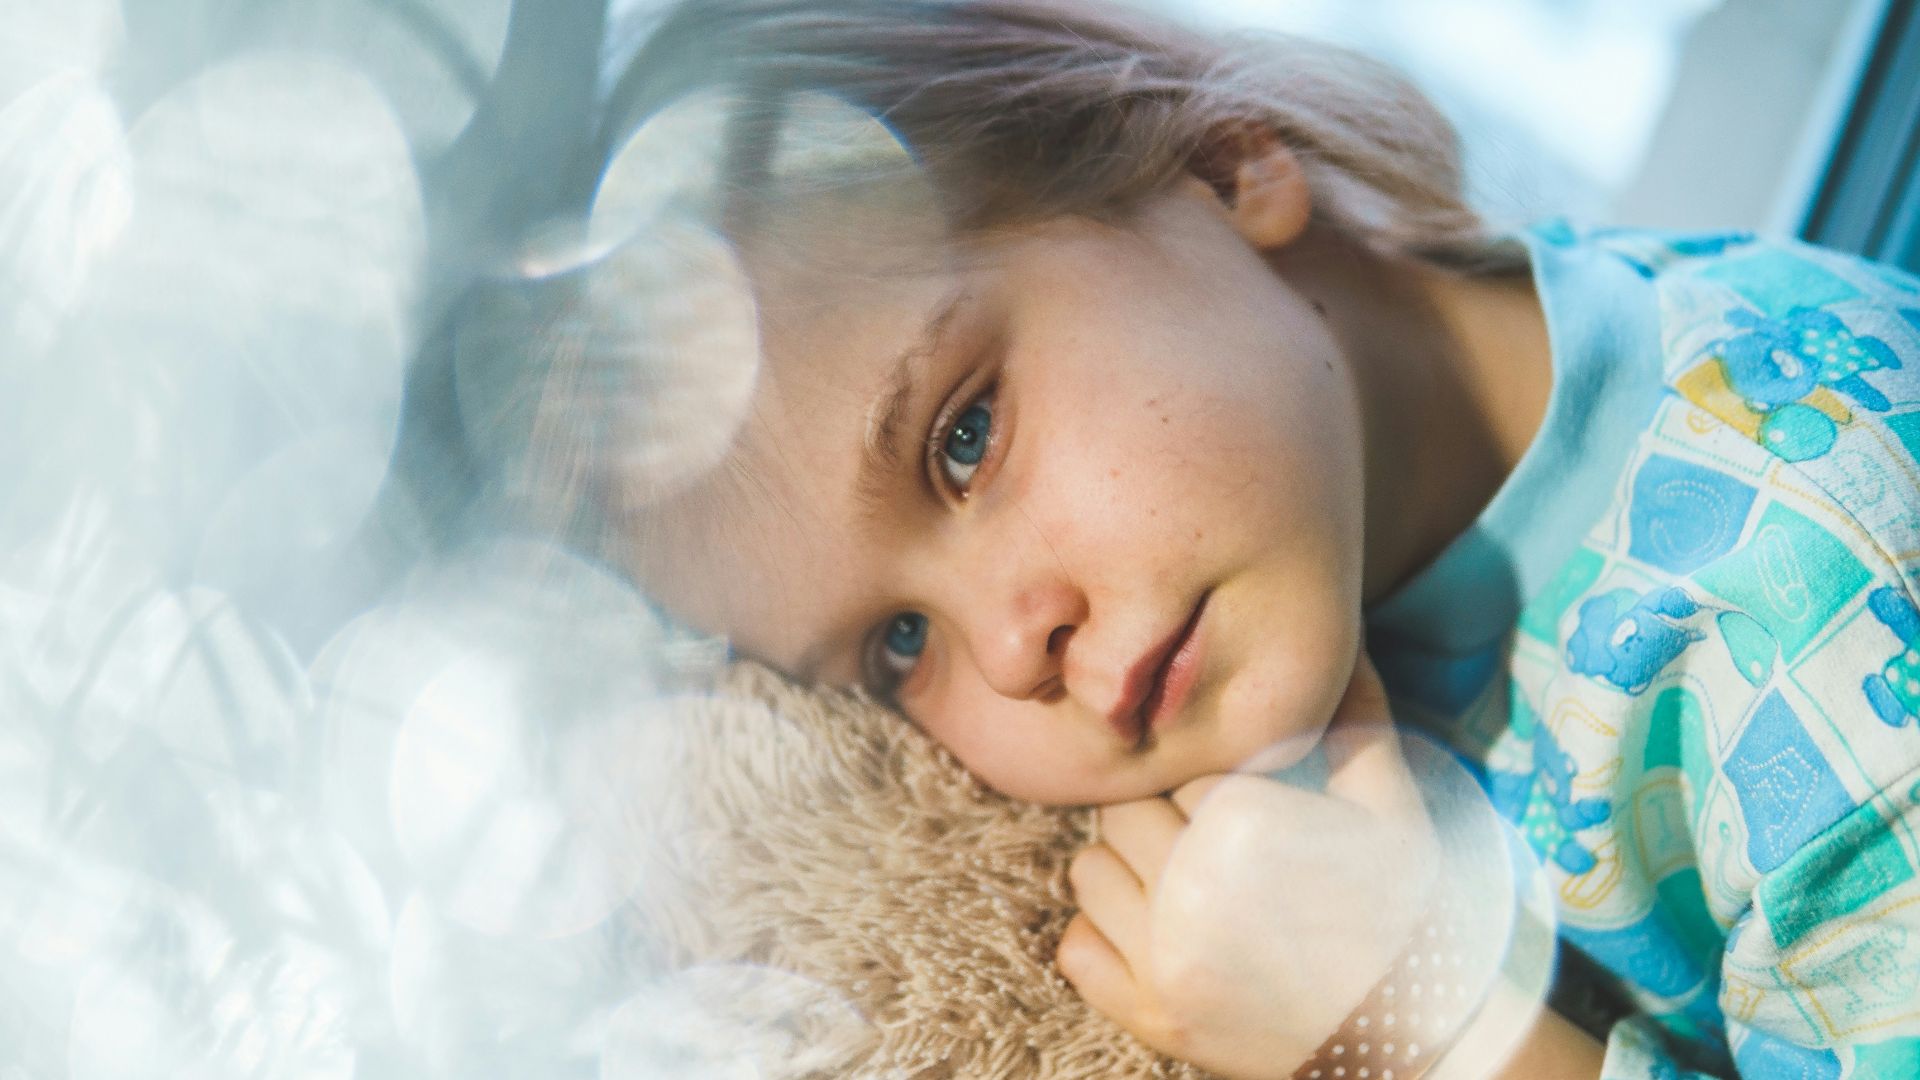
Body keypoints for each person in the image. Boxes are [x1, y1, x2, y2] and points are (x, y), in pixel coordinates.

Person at [482, 1, 1920, 1076]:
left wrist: (1412, 1019)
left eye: (964, 437)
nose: (1008, 643)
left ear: (1227, 170)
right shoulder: (1366, 465)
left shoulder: (1832, 613)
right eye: (895, 645)